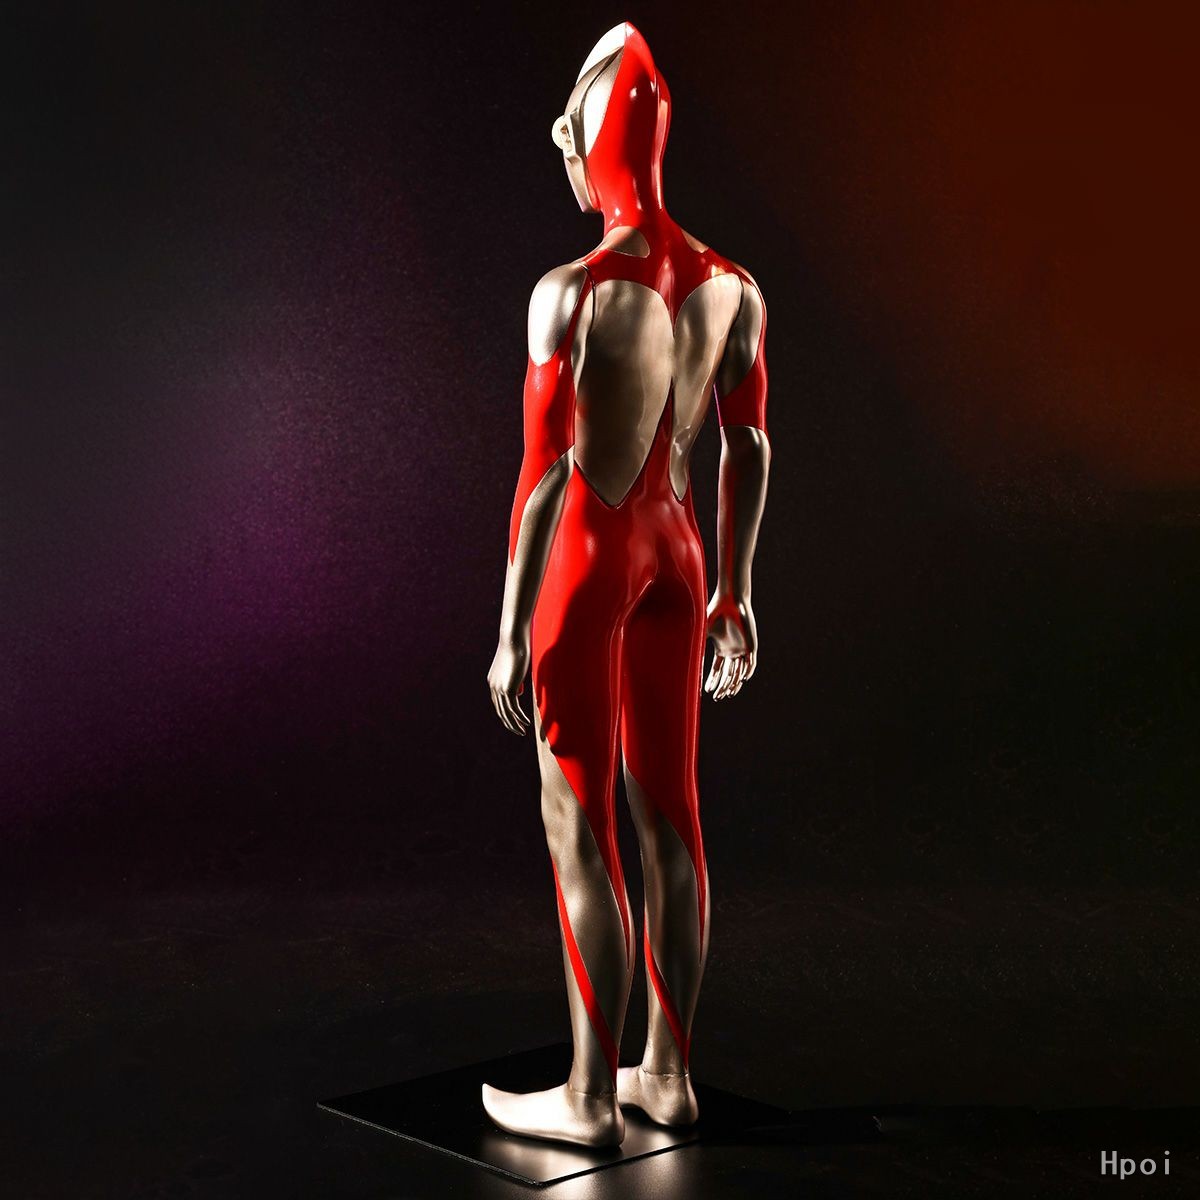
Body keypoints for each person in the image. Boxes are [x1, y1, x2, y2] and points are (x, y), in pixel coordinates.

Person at [484, 21, 771, 1148]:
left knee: (579, 819)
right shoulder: (733, 286)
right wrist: (735, 591)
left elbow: (541, 478)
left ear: (583, 144)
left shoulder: (571, 292)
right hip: (680, 554)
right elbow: (750, 445)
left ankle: (589, 1098)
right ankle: (669, 1075)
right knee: (672, 819)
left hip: (593, 558)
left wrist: (510, 632)